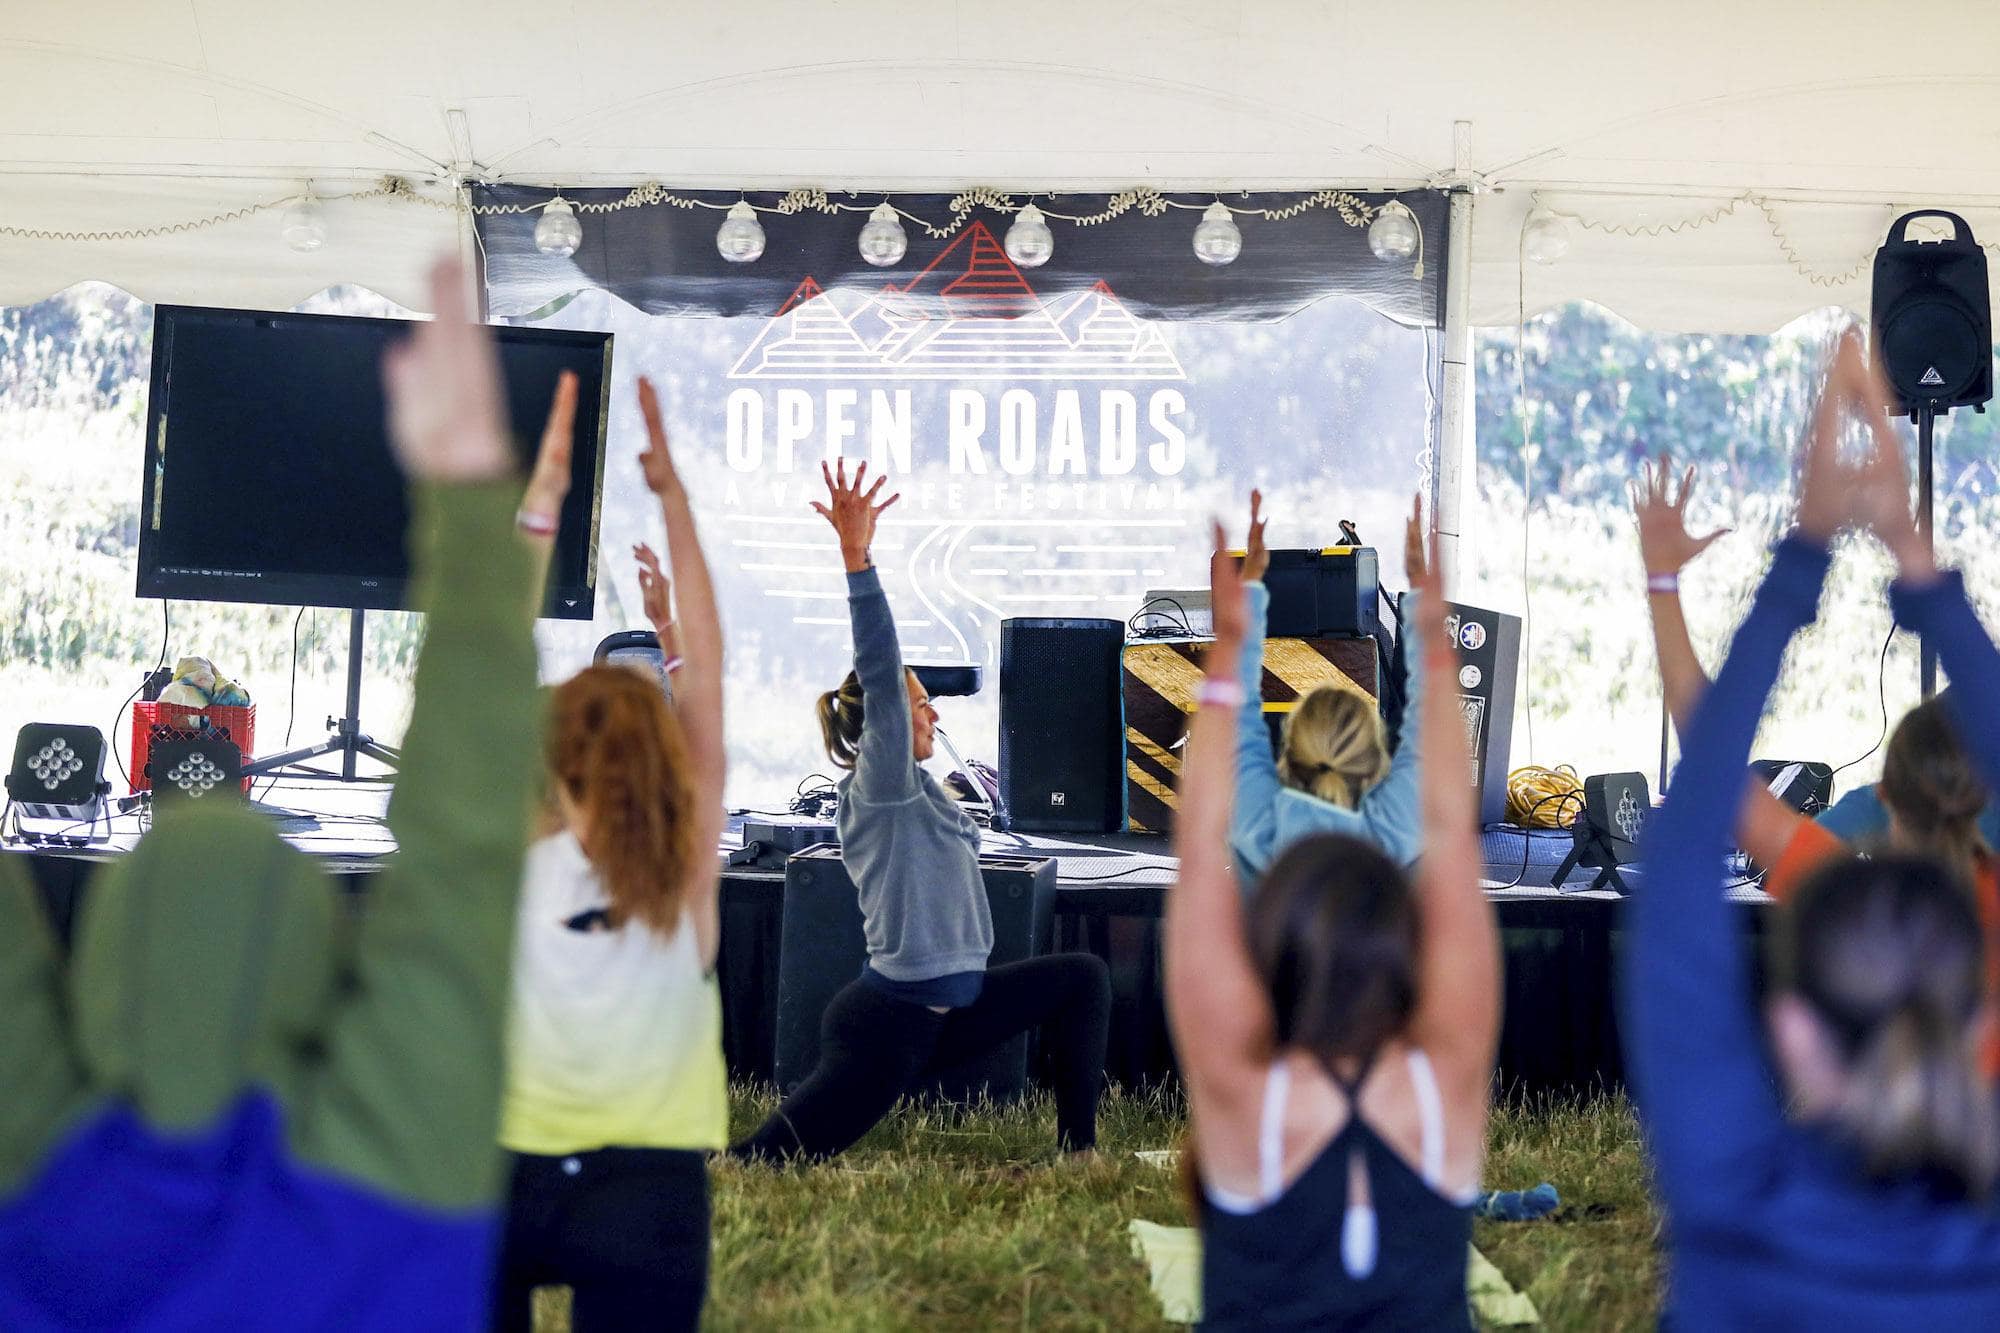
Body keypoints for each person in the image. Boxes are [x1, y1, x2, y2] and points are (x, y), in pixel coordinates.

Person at [0, 258, 566, 1328]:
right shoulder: (400, 1162)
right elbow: (465, 858)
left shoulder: (34, 1178)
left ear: (107, 962)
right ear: (318, 958)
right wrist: (473, 509)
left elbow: (458, 866)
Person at [1626, 328, 2000, 1326]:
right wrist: (1912, 559)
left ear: (1788, 1033)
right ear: (1978, 1021)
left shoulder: (1728, 1200)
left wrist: (1798, 551)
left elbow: (1691, 821)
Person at [1168, 498, 1496, 1331]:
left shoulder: (1243, 1095)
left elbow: (1199, 841)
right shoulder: (1443, 1076)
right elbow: (1452, 824)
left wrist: (1235, 641)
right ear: (1401, 936)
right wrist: (1430, 631)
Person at [732, 459, 1111, 1163]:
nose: (931, 708)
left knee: (1082, 977)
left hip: (953, 1013)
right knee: (759, 1160)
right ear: (883, 723)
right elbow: (879, 662)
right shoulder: (883, 782)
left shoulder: (924, 792)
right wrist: (858, 559)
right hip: (890, 1023)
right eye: (917, 701)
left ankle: (1078, 1150)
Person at [491, 378, 727, 1331]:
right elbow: (707, 679)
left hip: (501, 1172)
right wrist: (674, 500)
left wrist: (542, 503)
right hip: (650, 1193)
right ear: (663, 758)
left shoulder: (512, 856)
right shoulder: (687, 874)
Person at [1229, 490, 1426, 878]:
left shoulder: (1255, 826)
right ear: (1376, 760)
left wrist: (1249, 584)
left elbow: (1236, 712)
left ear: (1286, 754)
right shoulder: (1399, 828)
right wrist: (1420, 590)